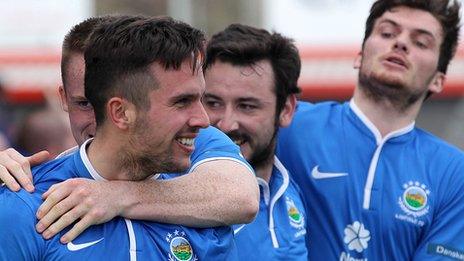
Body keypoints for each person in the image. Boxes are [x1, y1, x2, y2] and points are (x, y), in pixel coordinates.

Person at [0, 15, 248, 260]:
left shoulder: (202, 209)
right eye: (182, 101)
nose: (203, 119)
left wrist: (120, 195)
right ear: (120, 112)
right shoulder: (25, 207)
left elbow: (243, 198)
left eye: (200, 99)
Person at [276, 0, 464, 260]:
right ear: (360, 55)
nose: (400, 43)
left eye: (421, 42)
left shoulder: (454, 173)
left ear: (438, 80)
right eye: (387, 33)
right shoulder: (289, 125)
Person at [202, 24, 308, 260]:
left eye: (247, 106)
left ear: (286, 110)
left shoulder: (290, 190)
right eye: (213, 103)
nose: (227, 124)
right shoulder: (176, 199)